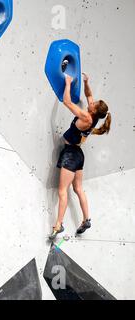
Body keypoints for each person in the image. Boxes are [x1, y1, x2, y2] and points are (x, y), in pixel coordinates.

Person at [49, 73, 112, 240]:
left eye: (94, 104)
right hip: (78, 155)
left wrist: (68, 83)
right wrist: (86, 82)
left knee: (63, 191)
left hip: (70, 155)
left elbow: (68, 102)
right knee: (78, 189)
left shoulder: (86, 117)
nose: (92, 102)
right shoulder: (95, 116)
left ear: (94, 110)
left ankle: (58, 225)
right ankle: (86, 220)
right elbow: (89, 95)